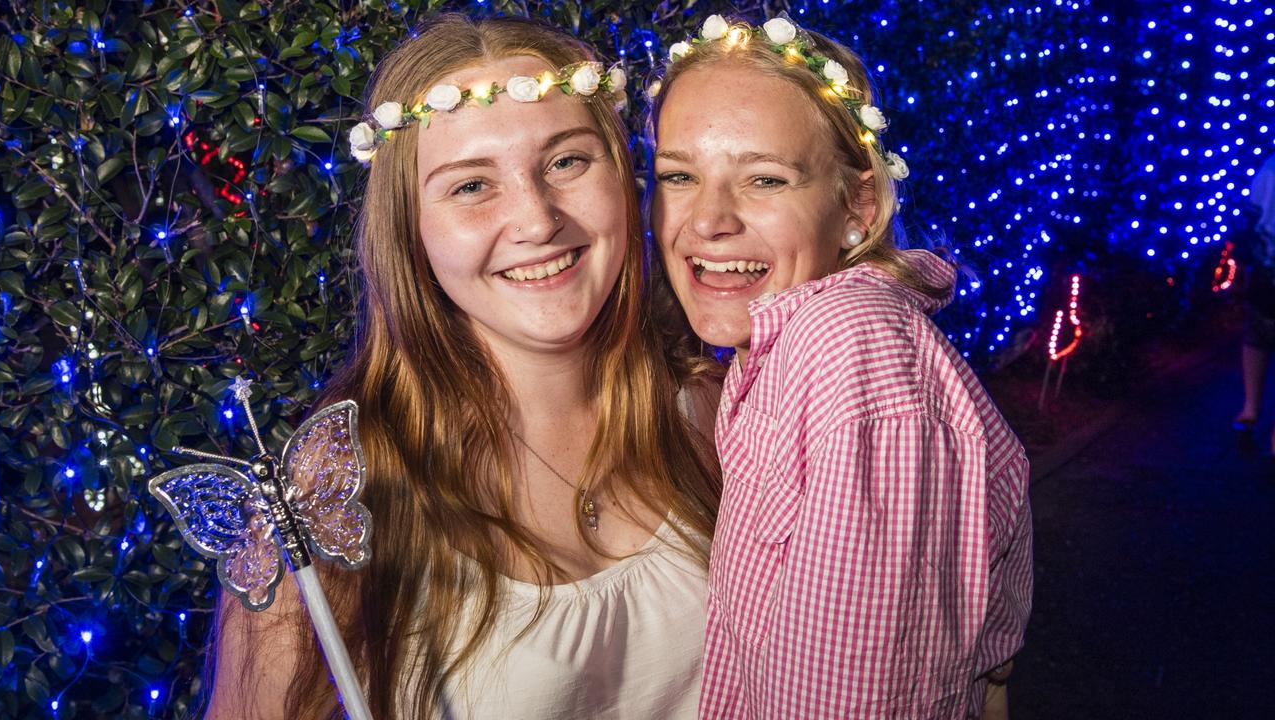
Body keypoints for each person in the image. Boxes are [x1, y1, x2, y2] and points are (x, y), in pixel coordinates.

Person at [205, 14, 720, 719]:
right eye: (471, 186)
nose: (537, 220)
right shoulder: (329, 508)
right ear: (410, 231)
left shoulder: (721, 415)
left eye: (567, 161)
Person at [649, 15, 1033, 719]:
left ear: (856, 206)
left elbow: (852, 693)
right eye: (679, 175)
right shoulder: (788, 344)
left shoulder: (850, 349)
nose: (707, 221)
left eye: (764, 179)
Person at [1234, 154, 1275, 459]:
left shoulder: (1269, 166)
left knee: (1258, 335)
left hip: (1265, 264)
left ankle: (1249, 410)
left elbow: (1252, 213)